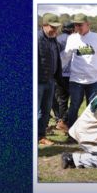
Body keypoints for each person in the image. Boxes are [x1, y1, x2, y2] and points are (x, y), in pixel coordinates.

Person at [64, 13, 97, 128]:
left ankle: (90, 132)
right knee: (74, 106)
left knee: (93, 107)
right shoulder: (72, 38)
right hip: (76, 79)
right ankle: (71, 133)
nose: (77, 27)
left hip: (93, 80)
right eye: (75, 25)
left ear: (88, 24)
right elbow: (65, 58)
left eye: (80, 25)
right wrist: (67, 52)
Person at [37, 13, 62, 146]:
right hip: (38, 82)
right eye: (52, 27)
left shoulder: (53, 40)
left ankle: (41, 136)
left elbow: (57, 59)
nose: (55, 30)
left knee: (46, 111)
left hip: (50, 81)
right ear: (44, 25)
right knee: (36, 111)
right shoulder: (36, 38)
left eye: (56, 27)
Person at [52, 21, 74, 132]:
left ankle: (62, 122)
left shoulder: (57, 39)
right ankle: (64, 122)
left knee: (62, 100)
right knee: (75, 100)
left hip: (57, 73)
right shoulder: (72, 40)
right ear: (72, 30)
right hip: (70, 73)